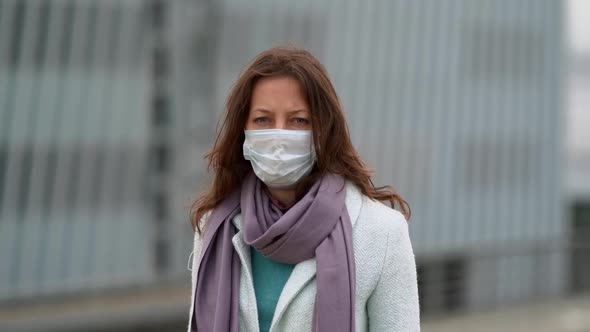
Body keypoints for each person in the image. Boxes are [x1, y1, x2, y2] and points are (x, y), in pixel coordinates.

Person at [187, 46, 420, 332]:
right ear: (243, 131)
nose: (280, 136)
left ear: (323, 130)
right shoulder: (214, 228)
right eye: (263, 120)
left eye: (299, 120)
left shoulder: (382, 233)